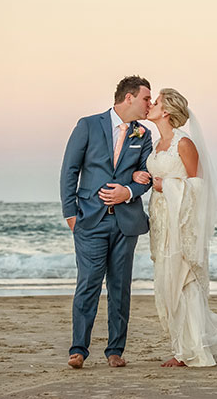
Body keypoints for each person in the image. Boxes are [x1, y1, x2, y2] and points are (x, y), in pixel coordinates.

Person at [59, 76, 154, 369]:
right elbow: (69, 170)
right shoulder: (88, 125)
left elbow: (147, 176)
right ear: (129, 97)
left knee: (120, 287)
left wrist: (128, 190)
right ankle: (78, 349)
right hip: (90, 221)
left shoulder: (143, 134)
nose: (149, 104)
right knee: (88, 283)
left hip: (126, 222)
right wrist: (71, 213)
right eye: (146, 99)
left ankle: (115, 350)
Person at [133, 88, 217, 367]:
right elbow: (155, 174)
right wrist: (144, 176)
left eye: (156, 102)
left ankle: (194, 349)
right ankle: (180, 348)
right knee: (167, 280)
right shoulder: (157, 144)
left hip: (181, 222)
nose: (150, 105)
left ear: (167, 112)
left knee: (184, 279)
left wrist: (166, 185)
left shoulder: (183, 143)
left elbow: (199, 187)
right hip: (162, 220)